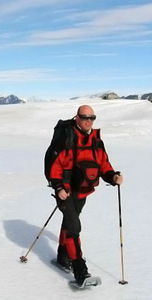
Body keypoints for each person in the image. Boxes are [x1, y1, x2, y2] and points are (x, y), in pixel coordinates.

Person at [49, 105, 124, 285]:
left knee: (69, 223)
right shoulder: (67, 139)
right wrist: (59, 187)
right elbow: (55, 167)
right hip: (65, 192)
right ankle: (80, 270)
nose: (88, 121)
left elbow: (103, 164)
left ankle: (62, 255)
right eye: (84, 117)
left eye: (92, 117)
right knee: (74, 227)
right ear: (77, 117)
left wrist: (113, 176)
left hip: (83, 191)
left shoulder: (96, 141)